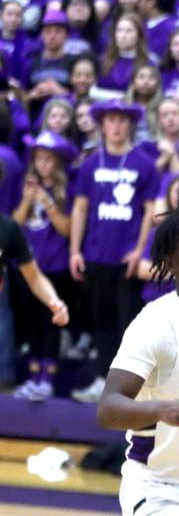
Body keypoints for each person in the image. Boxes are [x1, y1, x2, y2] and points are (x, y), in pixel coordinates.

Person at [97, 212, 179, 516]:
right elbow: (108, 408)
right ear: (169, 262)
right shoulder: (155, 323)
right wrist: (163, 409)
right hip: (160, 488)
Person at [70, 100, 159, 402]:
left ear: (130, 124)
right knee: (101, 322)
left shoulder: (144, 164)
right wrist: (75, 251)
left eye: (122, 120)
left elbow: (150, 212)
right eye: (111, 120)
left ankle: (130, 389)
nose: (117, 126)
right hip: (95, 256)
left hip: (127, 261)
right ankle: (100, 381)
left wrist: (139, 250)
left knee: (128, 325)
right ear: (102, 125)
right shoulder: (90, 164)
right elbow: (80, 209)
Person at [11, 131, 77, 400]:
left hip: (55, 266)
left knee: (51, 322)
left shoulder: (65, 189)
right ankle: (33, 375)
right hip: (26, 265)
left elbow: (66, 229)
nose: (43, 165)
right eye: (39, 159)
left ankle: (48, 378)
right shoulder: (23, 185)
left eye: (49, 160)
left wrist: (47, 202)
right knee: (31, 324)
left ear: (58, 162)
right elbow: (13, 226)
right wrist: (28, 199)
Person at [98, 13, 152, 92]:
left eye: (129, 31)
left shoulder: (148, 63)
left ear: (139, 35)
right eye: (119, 31)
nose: (123, 36)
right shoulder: (102, 61)